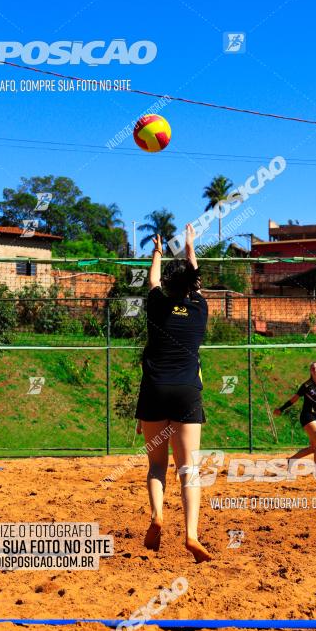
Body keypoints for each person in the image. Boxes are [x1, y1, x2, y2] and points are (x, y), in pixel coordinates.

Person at [135, 223, 212, 563]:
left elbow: (152, 281)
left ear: (167, 285)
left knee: (156, 466)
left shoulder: (156, 306)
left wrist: (157, 252)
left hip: (154, 390)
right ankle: (191, 535)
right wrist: (191, 246)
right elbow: (193, 281)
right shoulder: (200, 310)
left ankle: (156, 516)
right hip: (186, 392)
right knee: (189, 470)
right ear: (192, 287)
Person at [273, 361, 316, 470]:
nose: (315, 370)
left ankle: (291, 460)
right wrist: (281, 409)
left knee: (314, 447)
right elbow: (293, 399)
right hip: (307, 416)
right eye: (313, 368)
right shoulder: (306, 385)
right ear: (310, 371)